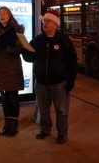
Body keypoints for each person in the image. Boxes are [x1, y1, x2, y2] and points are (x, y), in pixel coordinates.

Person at [22, 10, 77, 144]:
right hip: (41, 83)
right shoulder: (38, 40)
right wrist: (24, 49)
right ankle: (45, 129)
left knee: (61, 110)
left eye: (47, 21)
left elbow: (72, 61)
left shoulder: (63, 40)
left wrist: (71, 80)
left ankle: (62, 133)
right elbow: (30, 58)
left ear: (55, 24)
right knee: (43, 109)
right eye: (44, 22)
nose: (44, 24)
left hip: (59, 84)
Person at [0, 6, 25, 137]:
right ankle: (7, 124)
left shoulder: (18, 29)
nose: (1, 15)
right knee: (4, 99)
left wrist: (6, 47)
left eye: (4, 13)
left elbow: (19, 49)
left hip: (13, 68)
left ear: (9, 15)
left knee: (13, 98)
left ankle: (14, 125)